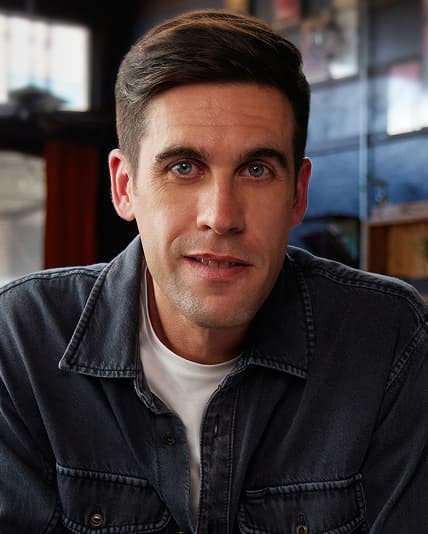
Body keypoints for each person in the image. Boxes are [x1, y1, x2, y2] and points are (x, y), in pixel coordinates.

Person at [0, 8, 427, 534]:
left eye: (256, 170)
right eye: (184, 167)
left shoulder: (387, 337)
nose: (221, 216)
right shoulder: (22, 339)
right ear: (125, 186)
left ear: (297, 194)